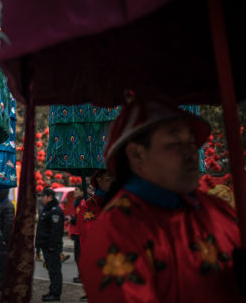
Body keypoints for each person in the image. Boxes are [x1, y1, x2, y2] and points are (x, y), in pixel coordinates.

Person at [79, 99, 242, 301]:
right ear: (136, 154)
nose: (191, 154)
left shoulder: (217, 210)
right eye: (175, 144)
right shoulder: (116, 231)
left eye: (191, 143)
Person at [35, 188, 65, 302]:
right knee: (51, 270)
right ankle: (52, 290)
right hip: (45, 245)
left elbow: (56, 231)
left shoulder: (55, 210)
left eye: (43, 196)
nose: (41, 198)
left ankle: (56, 293)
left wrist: (53, 245)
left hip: (51, 246)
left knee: (55, 270)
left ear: (50, 197)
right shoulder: (46, 209)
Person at [0, 188, 14, 292]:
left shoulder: (7, 205)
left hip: (3, 240)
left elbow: (8, 224)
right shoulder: (1, 204)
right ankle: (3, 284)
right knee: (1, 263)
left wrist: (4, 238)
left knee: (5, 263)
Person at [68, 186, 84, 284]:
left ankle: (82, 276)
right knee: (77, 256)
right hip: (75, 232)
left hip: (80, 233)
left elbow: (81, 219)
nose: (75, 192)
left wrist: (72, 220)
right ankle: (80, 275)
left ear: (82, 191)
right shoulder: (77, 202)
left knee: (80, 256)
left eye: (77, 190)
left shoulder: (82, 203)